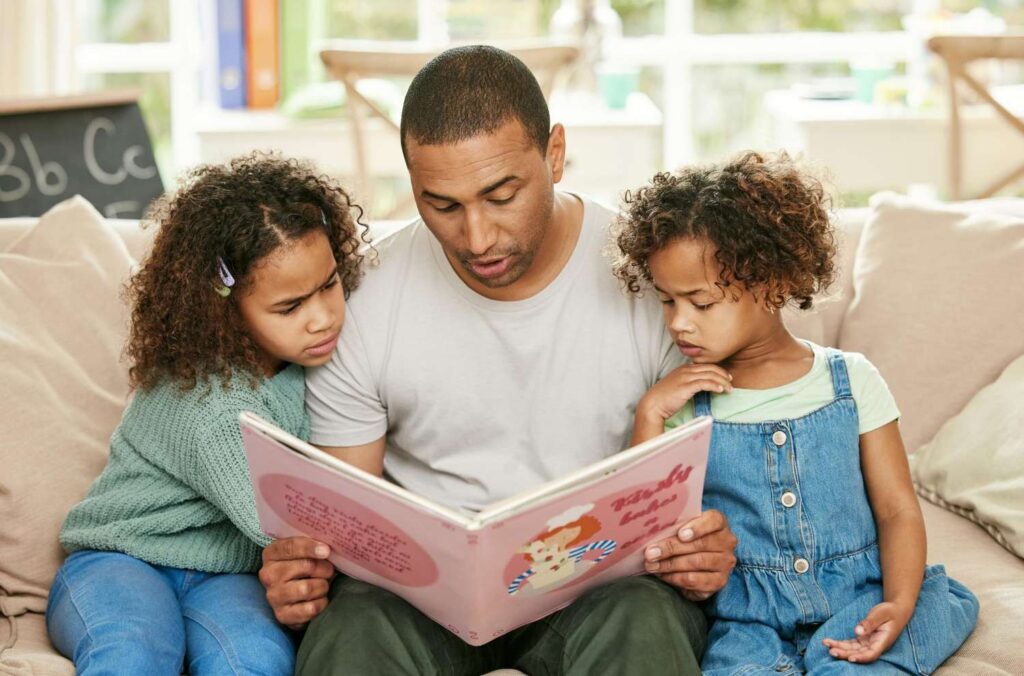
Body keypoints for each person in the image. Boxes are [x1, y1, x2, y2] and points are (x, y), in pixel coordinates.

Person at [258, 45, 737, 675]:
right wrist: (304, 570)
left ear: (555, 154)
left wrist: (705, 549)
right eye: (443, 205)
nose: (476, 238)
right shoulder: (361, 299)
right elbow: (352, 524)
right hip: (419, 602)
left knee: (642, 620)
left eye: (501, 195)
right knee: (353, 626)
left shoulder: (652, 278)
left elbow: (722, 483)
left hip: (603, 593)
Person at [615, 151, 979, 674]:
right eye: (667, 302)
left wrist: (899, 602)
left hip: (865, 595)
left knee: (854, 666)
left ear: (773, 283)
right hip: (749, 623)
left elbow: (898, 509)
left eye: (701, 303)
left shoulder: (850, 381)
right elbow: (649, 522)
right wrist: (650, 413)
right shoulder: (681, 404)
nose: (678, 324)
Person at [47, 154, 368, 675]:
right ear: (224, 307)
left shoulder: (313, 363)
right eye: (290, 307)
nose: (323, 317)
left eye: (329, 285)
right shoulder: (207, 402)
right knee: (134, 651)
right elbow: (285, 520)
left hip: (224, 578)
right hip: (121, 561)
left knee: (254, 660)